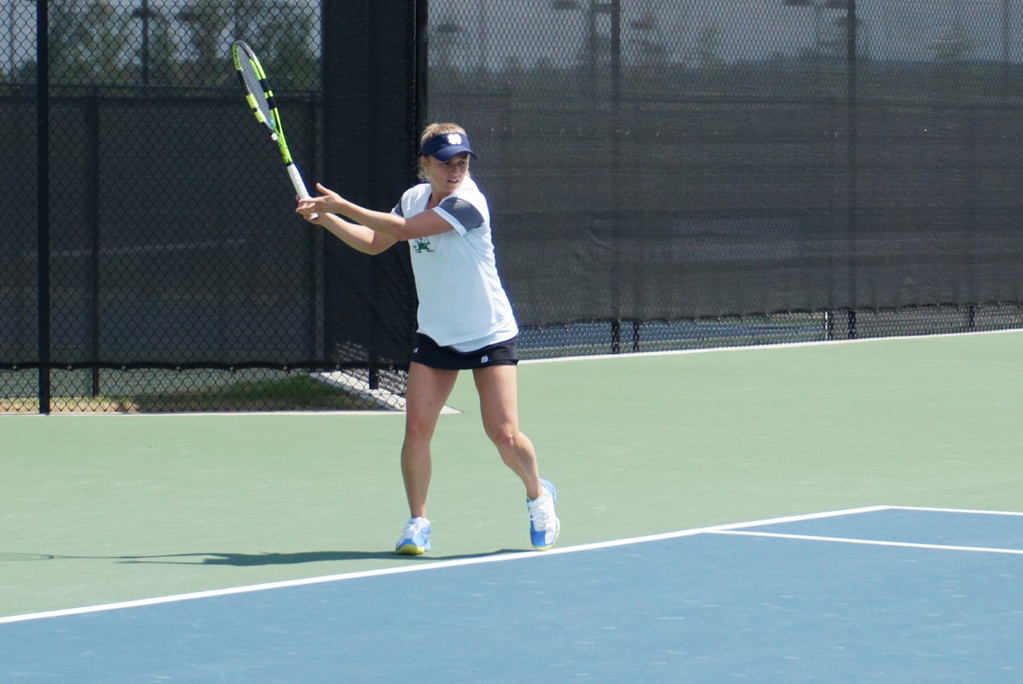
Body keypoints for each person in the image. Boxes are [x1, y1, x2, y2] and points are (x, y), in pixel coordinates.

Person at [296, 123, 559, 555]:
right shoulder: (413, 199)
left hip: (488, 333)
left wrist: (342, 203)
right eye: (445, 162)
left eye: (462, 161)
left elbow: (401, 232)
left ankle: (538, 494)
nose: (455, 169)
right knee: (416, 430)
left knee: (504, 434)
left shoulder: (469, 202)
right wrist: (328, 219)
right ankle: (418, 523)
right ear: (425, 165)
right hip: (437, 334)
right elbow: (374, 242)